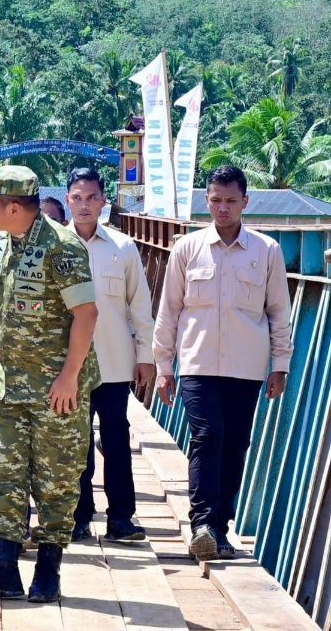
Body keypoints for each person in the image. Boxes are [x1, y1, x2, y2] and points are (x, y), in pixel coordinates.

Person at [0, 166, 98, 603]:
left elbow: (86, 315)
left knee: (55, 478)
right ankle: (4, 566)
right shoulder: (0, 241)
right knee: (8, 476)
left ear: (13, 207)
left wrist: (69, 376)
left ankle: (49, 568)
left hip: (57, 388)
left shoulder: (62, 247)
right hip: (8, 383)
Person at [153, 165, 292, 561]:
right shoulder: (186, 248)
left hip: (246, 367)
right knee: (206, 438)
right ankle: (202, 523)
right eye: (215, 200)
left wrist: (279, 364)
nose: (223, 208)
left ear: (245, 202)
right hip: (197, 364)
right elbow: (170, 310)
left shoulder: (267, 251)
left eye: (231, 201)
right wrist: (164, 366)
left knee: (234, 445)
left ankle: (221, 528)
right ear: (207, 201)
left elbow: (279, 312)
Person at [64, 167, 155, 542]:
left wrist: (146, 355)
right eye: (77, 198)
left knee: (116, 437)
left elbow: (140, 305)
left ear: (104, 201)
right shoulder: (54, 246)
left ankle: (121, 517)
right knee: (75, 440)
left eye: (91, 197)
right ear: (67, 200)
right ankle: (78, 516)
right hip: (69, 365)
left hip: (115, 362)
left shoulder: (124, 247)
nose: (84, 205)